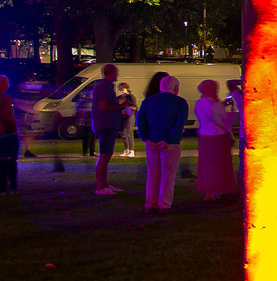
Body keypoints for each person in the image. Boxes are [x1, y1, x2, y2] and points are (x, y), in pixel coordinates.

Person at [137, 75, 188, 212]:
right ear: (176, 88)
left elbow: (140, 121)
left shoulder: (148, 102)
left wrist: (146, 139)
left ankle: (151, 203)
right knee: (168, 174)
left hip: (152, 142)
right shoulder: (180, 103)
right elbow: (179, 125)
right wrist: (168, 140)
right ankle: (164, 203)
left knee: (153, 173)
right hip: (170, 144)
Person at [89, 64, 131, 195]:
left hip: (108, 123)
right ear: (111, 72)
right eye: (116, 72)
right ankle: (100, 187)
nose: (117, 74)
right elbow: (104, 106)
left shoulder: (105, 86)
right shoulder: (104, 86)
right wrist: (121, 106)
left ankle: (105, 184)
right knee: (104, 155)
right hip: (105, 124)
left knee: (107, 155)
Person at [194, 79, 236, 201]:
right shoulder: (216, 105)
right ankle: (215, 190)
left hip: (204, 137)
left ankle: (209, 191)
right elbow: (227, 120)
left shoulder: (199, 103)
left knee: (207, 164)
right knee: (218, 164)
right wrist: (231, 108)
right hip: (218, 137)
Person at [0, 75, 20, 192]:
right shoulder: (5, 98)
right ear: (2, 84)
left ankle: (1, 187)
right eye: (7, 83)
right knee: (11, 161)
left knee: (0, 162)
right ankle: (11, 186)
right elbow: (8, 117)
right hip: (7, 133)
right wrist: (13, 130)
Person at [227, 79, 246, 186]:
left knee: (242, 166)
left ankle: (242, 191)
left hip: (245, 135)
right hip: (252, 136)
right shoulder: (242, 98)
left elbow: (230, 83)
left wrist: (242, 81)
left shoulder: (241, 98)